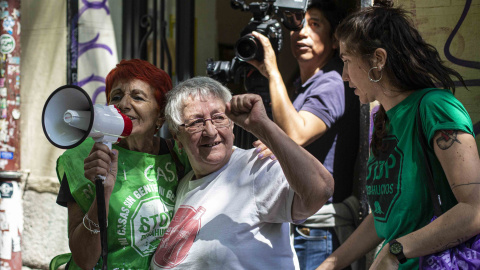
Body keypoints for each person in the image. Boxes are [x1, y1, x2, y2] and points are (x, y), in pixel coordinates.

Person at [317, 0, 480, 269]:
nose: (344, 76)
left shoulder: (435, 108)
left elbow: (474, 210)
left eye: (346, 61)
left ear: (378, 59)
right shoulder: (382, 122)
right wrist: (332, 264)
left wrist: (395, 251)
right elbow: (385, 215)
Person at [150, 76, 334, 270]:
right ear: (177, 137)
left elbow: (321, 190)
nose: (210, 131)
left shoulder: (256, 167)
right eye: (196, 122)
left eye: (219, 117)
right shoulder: (185, 184)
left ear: (232, 125)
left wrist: (263, 126)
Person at [247, 1, 361, 269]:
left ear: (334, 41)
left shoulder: (333, 81)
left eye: (315, 24)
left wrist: (272, 71)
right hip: (300, 224)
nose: (302, 32)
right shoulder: (299, 84)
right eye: (297, 24)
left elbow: (295, 134)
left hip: (316, 231)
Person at [55, 59, 190, 269]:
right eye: (116, 97)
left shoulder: (179, 155)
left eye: (138, 97)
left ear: (160, 115)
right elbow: (84, 259)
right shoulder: (83, 159)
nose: (124, 105)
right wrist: (103, 192)